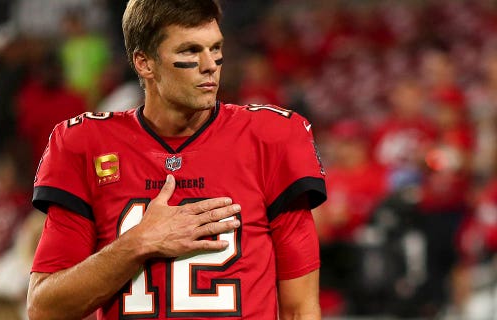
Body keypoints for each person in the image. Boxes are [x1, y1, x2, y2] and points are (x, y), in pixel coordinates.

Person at [27, 1, 327, 319]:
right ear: (144, 63)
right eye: (189, 51)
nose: (210, 64)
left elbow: (300, 310)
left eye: (215, 48)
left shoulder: (270, 139)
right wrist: (138, 242)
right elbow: (44, 309)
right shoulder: (86, 144)